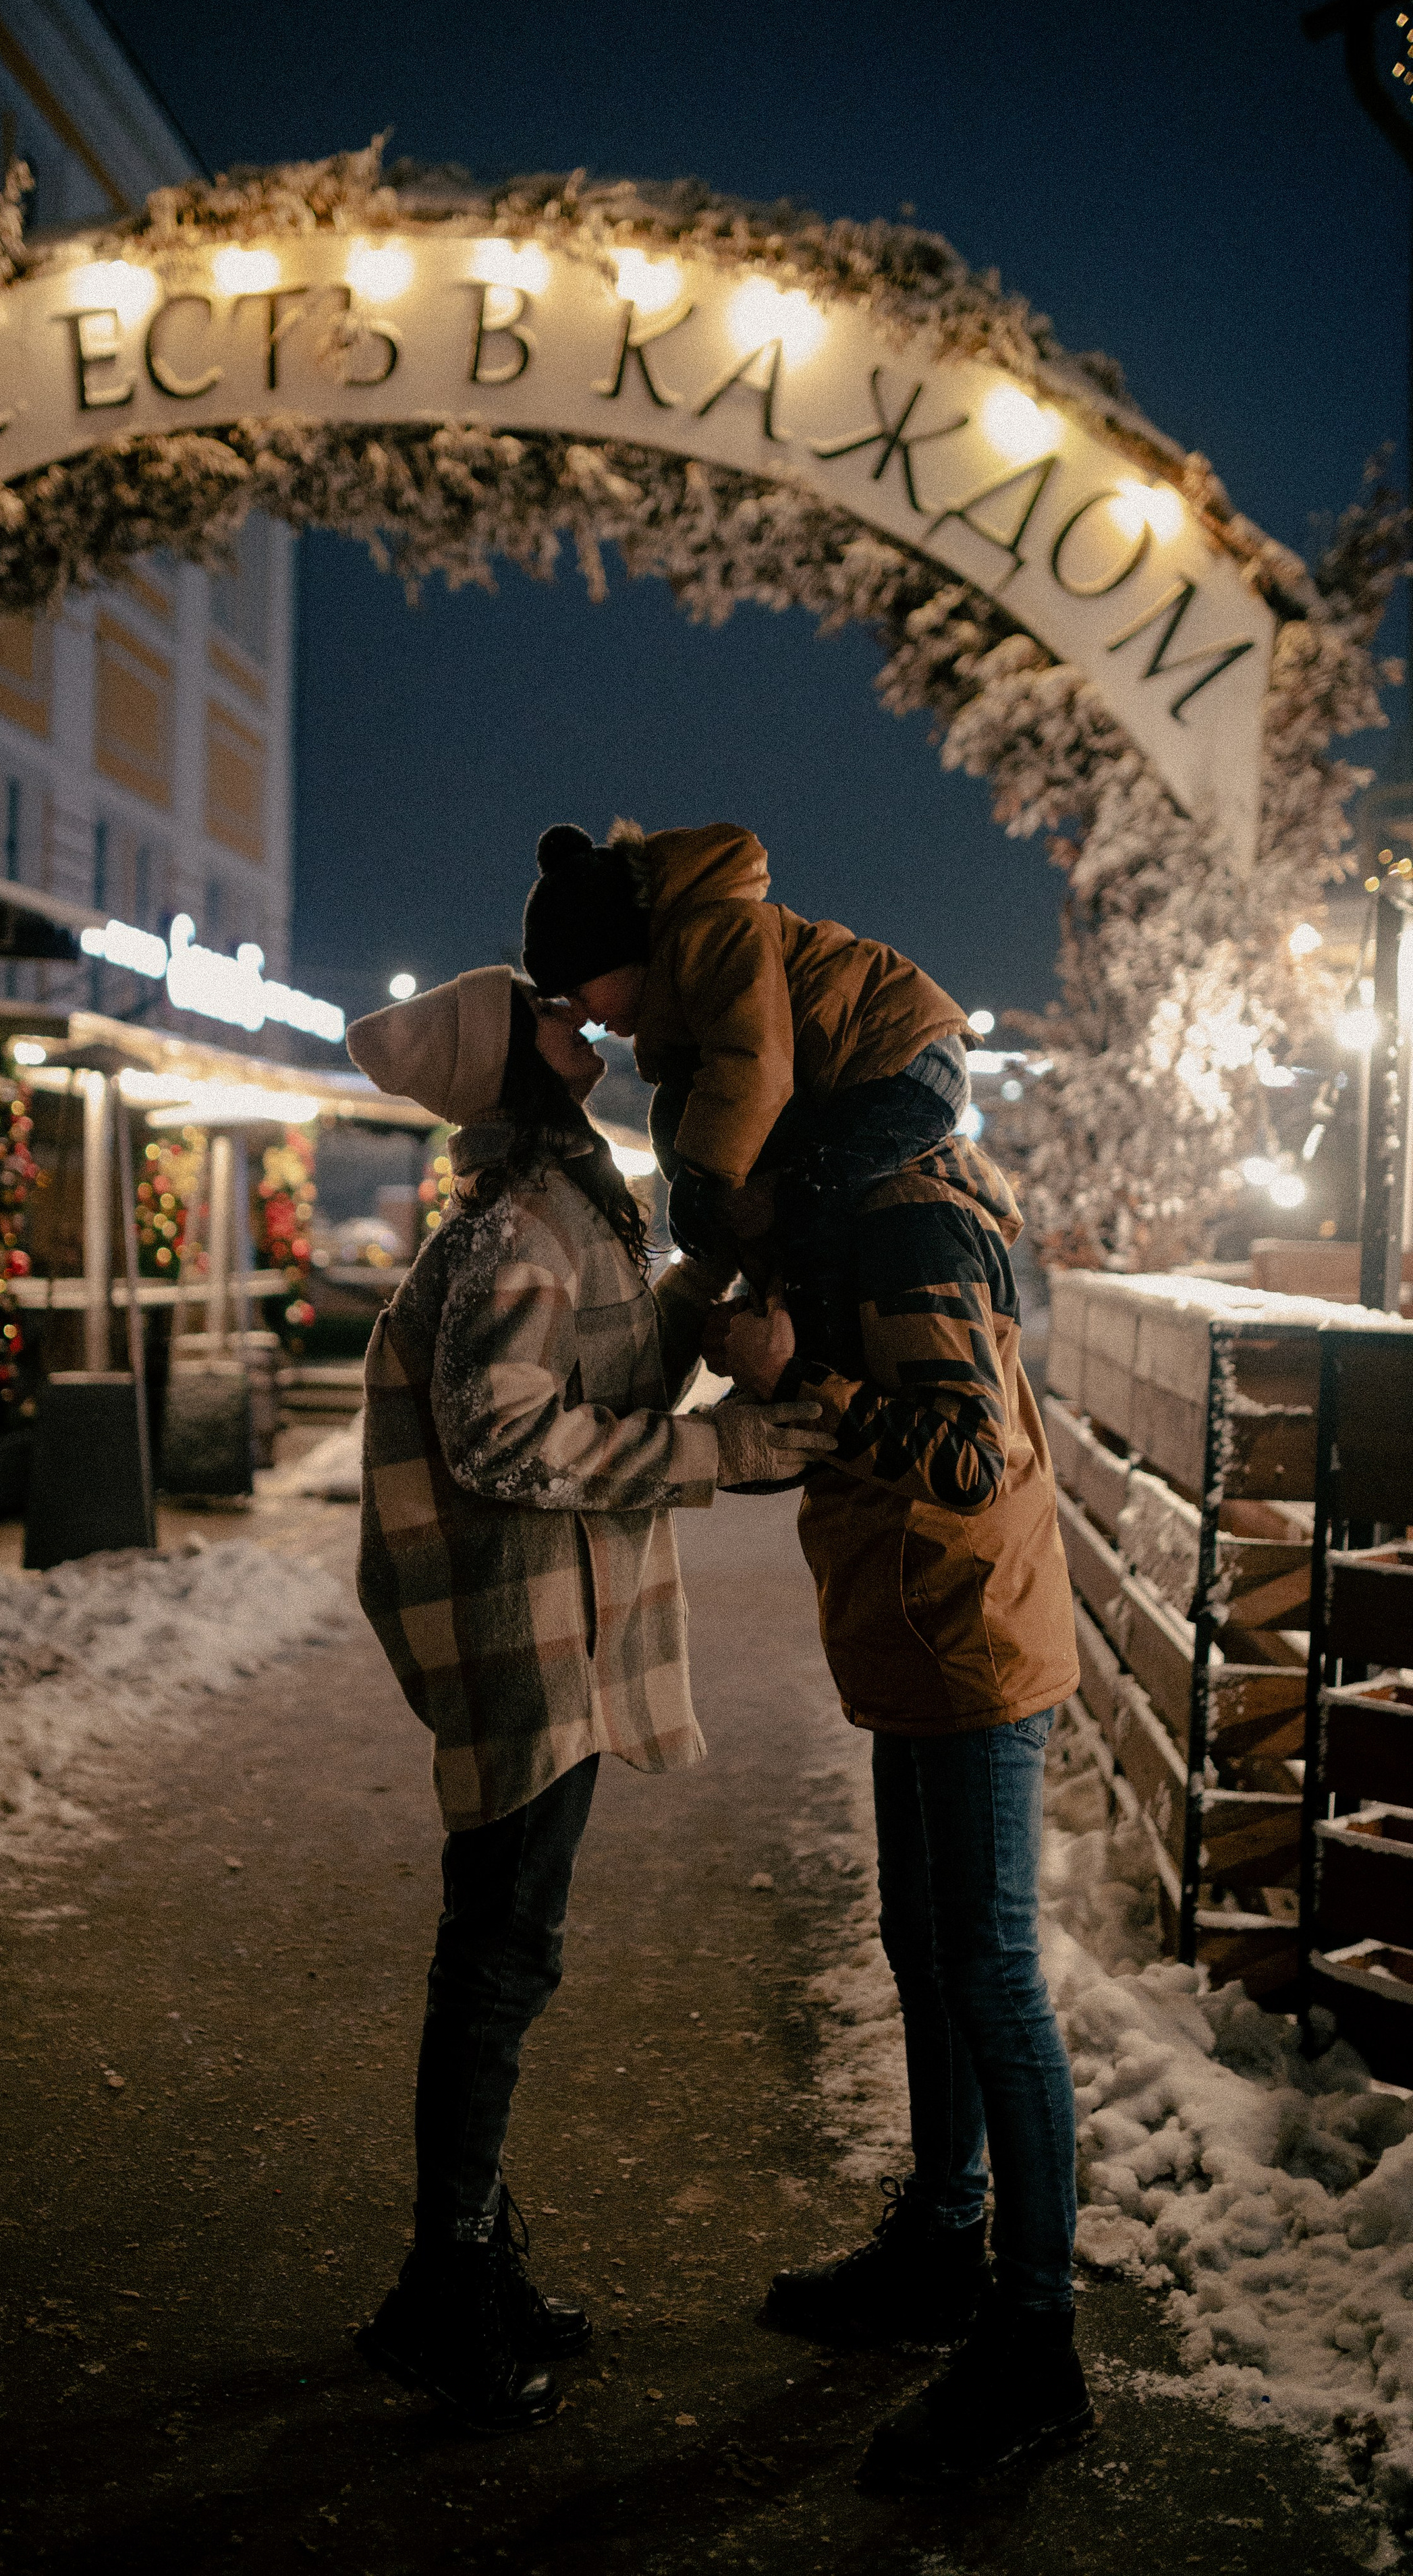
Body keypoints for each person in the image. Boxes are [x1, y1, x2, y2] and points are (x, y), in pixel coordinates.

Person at [343, 964, 835, 2434]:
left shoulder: (562, 1207)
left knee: (507, 1951)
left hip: (551, 1632)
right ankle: (442, 2292)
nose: (592, 1028)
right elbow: (504, 1439)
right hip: (523, 1637)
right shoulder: (517, 1225)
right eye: (558, 1020)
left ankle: (465, 2261)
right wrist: (725, 1455)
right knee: (494, 1960)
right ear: (518, 1063)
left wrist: (699, 1293)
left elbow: (609, 1362)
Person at [706, 1114, 1089, 2490]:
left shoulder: (907, 1222)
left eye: (719, 1193)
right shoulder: (852, 1225)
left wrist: (796, 1369)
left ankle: (1035, 2344)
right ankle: (940, 2241)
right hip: (914, 1635)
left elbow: (961, 1457)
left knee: (988, 1974)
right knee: (923, 1951)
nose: (721, 1226)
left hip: (971, 1640)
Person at [520, 817, 974, 1369]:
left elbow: (753, 1060)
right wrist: (704, 1192)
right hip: (850, 1070)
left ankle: (814, 1360)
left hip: (903, 1061)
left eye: (577, 989)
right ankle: (776, 1314)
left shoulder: (715, 934)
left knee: (810, 1191)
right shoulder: (680, 993)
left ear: (617, 951)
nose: (581, 1012)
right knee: (714, 1150)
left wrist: (704, 1177)